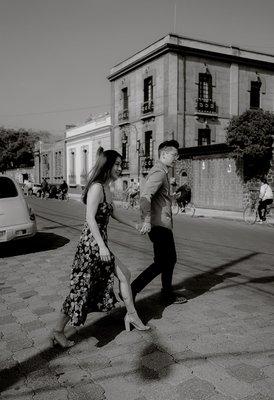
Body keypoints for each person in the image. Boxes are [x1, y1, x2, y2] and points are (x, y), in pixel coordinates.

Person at [51, 149, 149, 348]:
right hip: (90, 247)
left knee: (125, 275)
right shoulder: (96, 187)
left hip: (99, 245)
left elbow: (114, 214)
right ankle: (58, 331)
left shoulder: (106, 187)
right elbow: (89, 219)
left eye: (121, 164)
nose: (120, 168)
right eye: (117, 164)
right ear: (107, 165)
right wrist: (102, 247)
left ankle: (132, 316)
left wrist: (134, 225)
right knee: (80, 291)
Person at [131, 140, 188, 304]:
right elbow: (145, 197)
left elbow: (156, 197)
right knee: (164, 262)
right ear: (163, 154)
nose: (176, 158)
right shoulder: (159, 173)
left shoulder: (162, 172)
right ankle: (133, 289)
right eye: (174, 155)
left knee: (167, 260)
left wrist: (171, 197)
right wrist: (147, 220)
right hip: (159, 225)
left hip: (161, 224)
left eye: (177, 155)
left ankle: (166, 293)